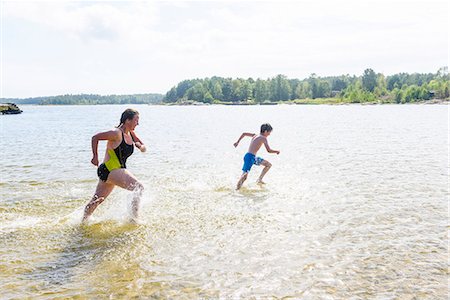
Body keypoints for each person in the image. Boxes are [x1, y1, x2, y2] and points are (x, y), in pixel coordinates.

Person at [82, 108, 146, 223]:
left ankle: (83, 221)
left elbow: (143, 146)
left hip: (109, 171)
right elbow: (95, 137)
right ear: (127, 120)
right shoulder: (116, 133)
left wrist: (140, 147)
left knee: (97, 200)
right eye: (136, 120)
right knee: (139, 188)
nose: (138, 123)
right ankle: (134, 220)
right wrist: (95, 156)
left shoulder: (131, 133)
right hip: (112, 169)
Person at [234, 123, 280, 190]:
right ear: (265, 131)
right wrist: (277, 151)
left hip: (253, 158)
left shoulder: (255, 135)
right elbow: (269, 150)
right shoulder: (263, 138)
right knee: (244, 176)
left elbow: (244, 133)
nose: (269, 134)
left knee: (268, 165)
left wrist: (237, 142)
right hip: (249, 158)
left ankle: (259, 180)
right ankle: (236, 190)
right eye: (269, 132)